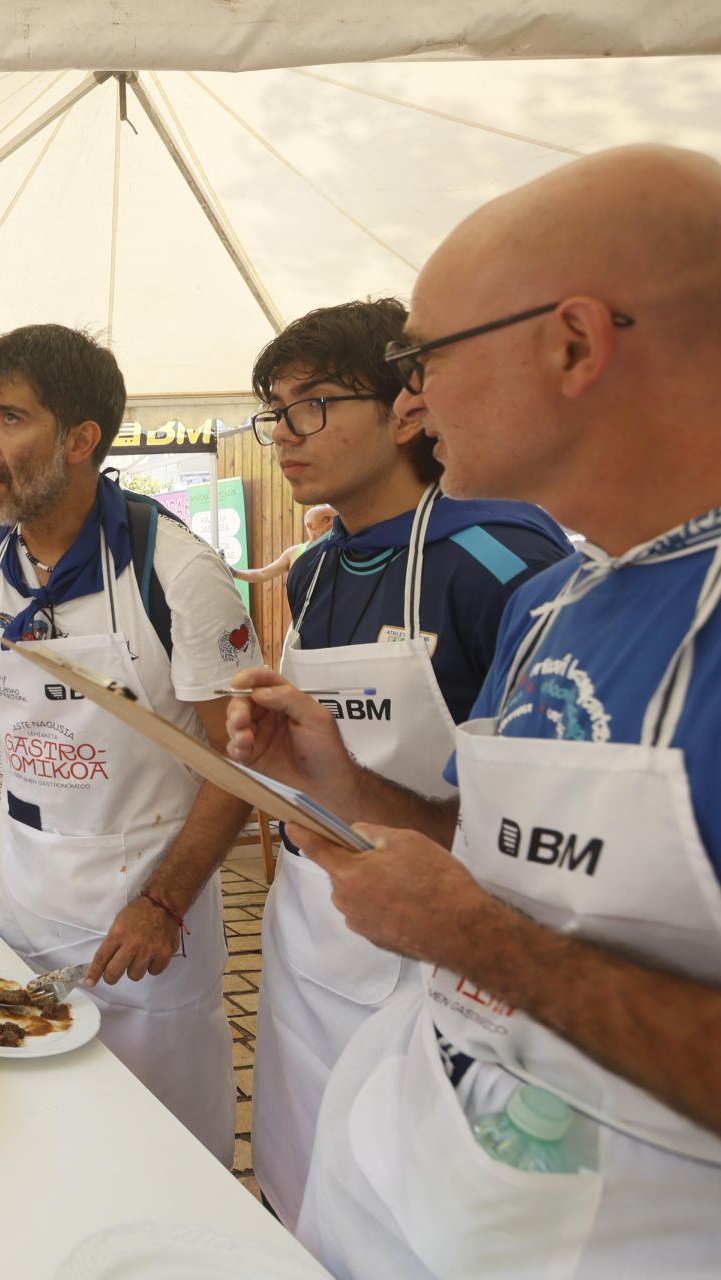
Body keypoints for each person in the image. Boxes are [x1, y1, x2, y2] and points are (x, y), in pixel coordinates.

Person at [226, 145, 721, 1277]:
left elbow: (492, 921)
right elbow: (513, 864)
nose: (416, 399)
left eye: (427, 357)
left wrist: (474, 938)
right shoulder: (557, 602)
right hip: (417, 1205)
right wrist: (353, 790)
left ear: (575, 343)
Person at [0, 324, 261, 1160]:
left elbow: (242, 764)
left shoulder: (175, 572)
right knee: (51, 1138)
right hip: (27, 901)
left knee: (164, 1153)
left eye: (10, 417)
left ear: (80, 439)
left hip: (149, 916)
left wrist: (164, 902)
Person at [241, 299, 571, 1225]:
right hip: (307, 925)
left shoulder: (501, 557)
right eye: (275, 409)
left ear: (408, 406)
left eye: (312, 403)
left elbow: (535, 815)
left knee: (400, 1211)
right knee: (299, 1185)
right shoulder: (311, 570)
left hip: (434, 954)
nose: (284, 435)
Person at [232, 504, 335, 584]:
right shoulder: (294, 553)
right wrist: (234, 572)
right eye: (326, 519)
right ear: (310, 525)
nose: (333, 523)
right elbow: (263, 574)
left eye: (335, 518)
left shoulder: (340, 548)